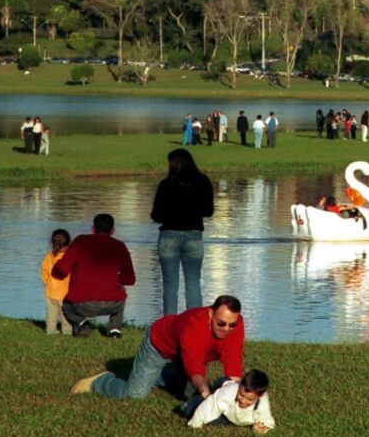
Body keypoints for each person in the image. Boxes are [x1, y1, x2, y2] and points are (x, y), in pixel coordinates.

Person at [72, 295, 245, 401]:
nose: (226, 329)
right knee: (134, 395)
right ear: (210, 314)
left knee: (188, 393)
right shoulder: (193, 325)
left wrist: (238, 395)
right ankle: (100, 382)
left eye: (232, 325)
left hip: (184, 354)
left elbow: (233, 361)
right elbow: (194, 365)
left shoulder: (236, 326)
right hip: (159, 346)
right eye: (221, 323)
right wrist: (206, 393)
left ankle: (155, 376)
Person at [152, 148, 215, 315]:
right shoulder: (203, 181)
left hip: (169, 234)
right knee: (193, 282)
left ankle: (168, 323)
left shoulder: (166, 184)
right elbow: (209, 211)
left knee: (170, 284)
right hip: (193, 234)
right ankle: (194, 322)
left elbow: (156, 215)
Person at [53, 213, 136, 339]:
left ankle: (83, 324)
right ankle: (115, 330)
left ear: (93, 229)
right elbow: (130, 279)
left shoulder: (81, 241)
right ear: (112, 231)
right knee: (122, 295)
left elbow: (61, 269)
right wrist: (115, 280)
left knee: (67, 306)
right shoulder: (119, 246)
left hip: (82, 304)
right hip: (113, 303)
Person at [183, 369, 275, 434]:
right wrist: (195, 425)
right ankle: (192, 402)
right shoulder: (229, 392)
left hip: (231, 417)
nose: (243, 401)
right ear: (240, 386)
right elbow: (209, 406)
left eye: (249, 399)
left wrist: (261, 429)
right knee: (192, 410)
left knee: (220, 422)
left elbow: (267, 422)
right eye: (241, 395)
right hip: (223, 388)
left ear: (260, 396)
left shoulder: (262, 403)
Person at [40, 229, 73, 335]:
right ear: (69, 242)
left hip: (51, 291)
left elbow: (44, 273)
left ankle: (50, 330)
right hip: (66, 292)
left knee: (51, 314)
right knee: (66, 315)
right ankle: (67, 331)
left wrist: (46, 284)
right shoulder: (70, 258)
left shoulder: (49, 257)